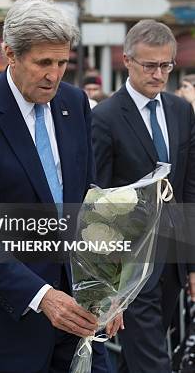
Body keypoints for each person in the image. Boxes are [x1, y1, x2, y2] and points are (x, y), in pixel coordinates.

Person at [0, 0, 118, 373]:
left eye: (62, 63)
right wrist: (42, 298)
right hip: (7, 328)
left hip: (79, 321)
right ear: (9, 53)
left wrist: (108, 290)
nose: (53, 75)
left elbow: (90, 203)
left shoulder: (74, 104)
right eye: (43, 63)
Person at [91, 19, 195, 373]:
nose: (159, 74)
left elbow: (188, 189)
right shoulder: (104, 118)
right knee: (153, 361)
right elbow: (99, 203)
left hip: (173, 260)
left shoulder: (181, 111)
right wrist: (108, 285)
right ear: (128, 61)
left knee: (138, 359)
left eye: (166, 65)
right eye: (150, 65)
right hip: (130, 268)